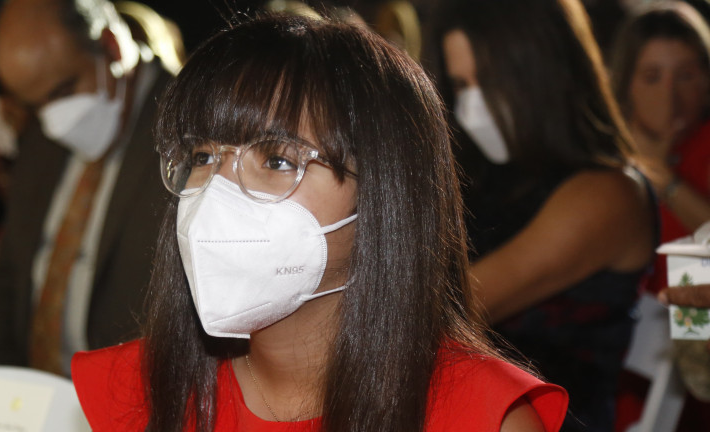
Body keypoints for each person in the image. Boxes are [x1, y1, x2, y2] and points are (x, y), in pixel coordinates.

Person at [71, 14, 569, 432]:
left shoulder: (480, 416)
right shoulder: (132, 393)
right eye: (202, 156)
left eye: (277, 161)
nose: (217, 192)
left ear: (384, 192)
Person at [435, 0, 656, 431]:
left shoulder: (608, 194)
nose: (472, 106)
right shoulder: (486, 174)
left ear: (545, 72)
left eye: (489, 82)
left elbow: (456, 307)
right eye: (461, 85)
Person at [0, 0, 170, 376]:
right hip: (28, 387)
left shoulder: (193, 128)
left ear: (111, 46)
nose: (53, 122)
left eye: (63, 91)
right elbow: (10, 273)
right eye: (35, 106)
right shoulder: (42, 136)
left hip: (127, 391)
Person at [611, 1, 710, 297]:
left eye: (686, 76)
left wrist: (664, 180)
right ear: (627, 84)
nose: (669, 95)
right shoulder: (604, 153)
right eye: (652, 77)